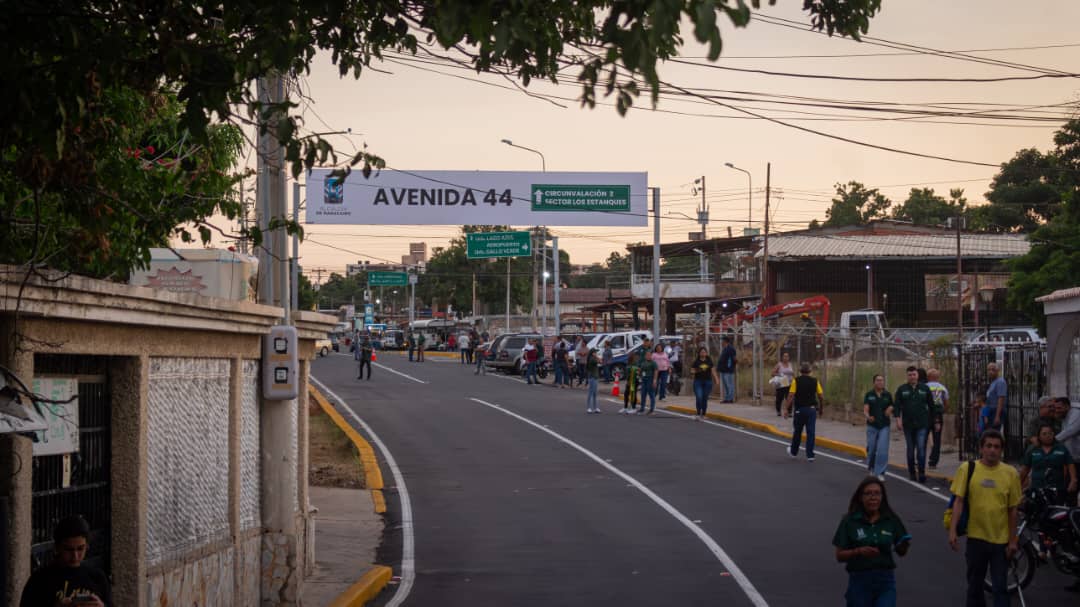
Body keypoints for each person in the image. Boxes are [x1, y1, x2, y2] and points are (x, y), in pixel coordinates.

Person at [948, 429, 1022, 607]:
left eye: (997, 447)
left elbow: (1013, 510)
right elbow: (958, 502)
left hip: (1001, 541)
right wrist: (952, 531)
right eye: (988, 446)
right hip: (976, 539)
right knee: (974, 588)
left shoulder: (1010, 473)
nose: (992, 450)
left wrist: (1013, 541)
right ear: (981, 448)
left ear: (1001, 450)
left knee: (1000, 588)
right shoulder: (967, 469)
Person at [832, 477, 911, 607]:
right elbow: (839, 556)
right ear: (860, 497)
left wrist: (903, 545)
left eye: (877, 493)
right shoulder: (850, 521)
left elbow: (902, 551)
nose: (873, 497)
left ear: (882, 497)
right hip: (859, 581)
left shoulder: (891, 519)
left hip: (885, 581)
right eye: (868, 493)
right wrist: (858, 552)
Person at [20, 515, 113, 607]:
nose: (75, 556)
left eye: (80, 549)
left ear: (87, 546)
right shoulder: (39, 580)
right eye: (69, 549)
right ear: (57, 548)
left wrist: (102, 606)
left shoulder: (97, 577)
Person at [895, 366, 933, 483]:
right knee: (911, 450)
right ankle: (912, 472)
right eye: (910, 375)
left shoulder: (925, 388)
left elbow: (931, 406)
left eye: (914, 374)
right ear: (907, 376)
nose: (912, 377)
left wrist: (934, 422)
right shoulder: (902, 389)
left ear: (917, 375)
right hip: (908, 425)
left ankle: (921, 473)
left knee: (921, 448)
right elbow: (897, 406)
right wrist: (898, 420)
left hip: (922, 424)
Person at [1020, 422, 1076, 499]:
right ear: (1039, 436)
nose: (1047, 436)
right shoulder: (1032, 449)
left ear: (1053, 435)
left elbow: (1070, 463)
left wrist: (1073, 480)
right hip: (1037, 489)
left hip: (1057, 490)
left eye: (1050, 433)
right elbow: (1025, 470)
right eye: (1044, 434)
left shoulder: (1061, 448)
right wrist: (1018, 486)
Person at [785, 362, 823, 461]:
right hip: (811, 410)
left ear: (800, 371)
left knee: (797, 431)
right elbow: (821, 396)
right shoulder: (815, 381)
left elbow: (791, 395)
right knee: (811, 432)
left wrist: (786, 409)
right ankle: (810, 455)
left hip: (799, 410)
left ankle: (794, 452)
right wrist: (821, 407)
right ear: (810, 371)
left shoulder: (796, 381)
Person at [864, 374, 894, 481]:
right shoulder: (869, 395)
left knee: (882, 449)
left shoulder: (887, 394)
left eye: (882, 380)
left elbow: (892, 405)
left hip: (884, 426)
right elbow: (866, 409)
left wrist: (890, 408)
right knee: (872, 449)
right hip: (872, 426)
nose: (880, 382)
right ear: (874, 382)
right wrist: (868, 417)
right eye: (878, 380)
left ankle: (881, 472)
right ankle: (871, 468)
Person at [1057, 397, 1080, 507]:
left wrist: (1052, 441)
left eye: (1059, 408)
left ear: (1067, 406)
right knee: (1070, 491)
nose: (1057, 410)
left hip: (1077, 460)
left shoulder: (1076, 414)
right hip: (1073, 461)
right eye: (1056, 408)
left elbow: (1070, 431)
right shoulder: (1064, 417)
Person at [926, 368, 949, 470]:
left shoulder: (925, 387)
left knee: (922, 437)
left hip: (926, 414)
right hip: (938, 415)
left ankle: (920, 458)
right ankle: (933, 462)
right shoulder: (942, 388)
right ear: (937, 377)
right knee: (937, 439)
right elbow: (946, 402)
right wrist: (943, 410)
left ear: (928, 377)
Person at [691, 347, 719, 420]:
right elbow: (692, 371)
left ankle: (703, 413)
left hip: (708, 381)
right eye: (701, 352)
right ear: (699, 353)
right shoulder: (696, 362)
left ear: (706, 353)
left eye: (704, 352)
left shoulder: (709, 361)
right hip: (698, 381)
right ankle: (698, 413)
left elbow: (713, 371)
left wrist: (716, 379)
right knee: (699, 397)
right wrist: (697, 370)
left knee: (705, 398)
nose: (703, 353)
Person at [772, 351, 795, 417]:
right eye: (784, 356)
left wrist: (795, 379)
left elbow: (792, 373)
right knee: (779, 398)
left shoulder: (790, 364)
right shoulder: (779, 365)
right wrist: (779, 374)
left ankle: (790, 412)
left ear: (789, 358)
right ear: (782, 357)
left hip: (789, 384)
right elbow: (772, 373)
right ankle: (778, 411)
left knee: (789, 397)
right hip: (781, 384)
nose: (786, 358)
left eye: (787, 356)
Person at [985, 362, 1007, 431]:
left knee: (994, 432)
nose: (990, 372)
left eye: (993, 369)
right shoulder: (993, 382)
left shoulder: (1000, 382)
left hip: (996, 411)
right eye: (989, 370)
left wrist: (997, 416)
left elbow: (1001, 399)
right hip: (991, 411)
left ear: (997, 371)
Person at [637, 350, 659, 415]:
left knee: (651, 394)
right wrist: (639, 373)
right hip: (644, 379)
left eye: (649, 355)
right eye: (647, 355)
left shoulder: (653, 363)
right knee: (643, 394)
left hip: (650, 379)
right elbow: (641, 370)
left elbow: (656, 371)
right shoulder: (643, 363)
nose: (648, 356)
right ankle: (642, 408)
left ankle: (652, 409)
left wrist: (654, 380)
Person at [718, 335, 737, 403]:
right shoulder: (725, 349)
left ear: (725, 341)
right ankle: (727, 398)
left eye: (722, 341)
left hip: (728, 370)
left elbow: (734, 359)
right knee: (726, 385)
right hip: (723, 370)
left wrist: (730, 367)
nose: (721, 342)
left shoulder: (731, 349)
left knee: (729, 385)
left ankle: (730, 398)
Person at [585, 348, 602, 414]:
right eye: (595, 352)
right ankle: (589, 407)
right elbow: (600, 361)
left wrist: (596, 356)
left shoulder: (592, 358)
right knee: (591, 392)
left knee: (594, 393)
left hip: (594, 377)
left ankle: (595, 408)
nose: (596, 353)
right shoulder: (592, 359)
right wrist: (597, 357)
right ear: (592, 353)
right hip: (592, 377)